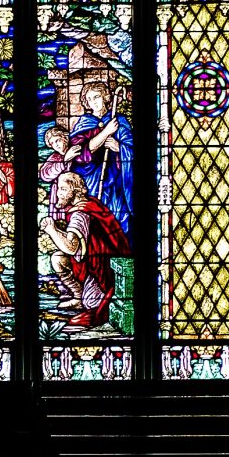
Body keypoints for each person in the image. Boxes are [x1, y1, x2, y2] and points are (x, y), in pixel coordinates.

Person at [44, 169, 128, 328]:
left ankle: (86, 297)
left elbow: (71, 247)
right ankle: (77, 296)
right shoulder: (90, 204)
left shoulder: (80, 213)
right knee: (58, 259)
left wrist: (51, 230)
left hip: (102, 272)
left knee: (91, 302)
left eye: (63, 189)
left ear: (74, 191)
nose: (58, 193)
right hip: (92, 262)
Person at [68, 83, 133, 238]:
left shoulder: (118, 120)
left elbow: (132, 149)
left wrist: (119, 147)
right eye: (89, 99)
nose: (93, 102)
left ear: (106, 97)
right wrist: (106, 132)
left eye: (96, 97)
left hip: (115, 180)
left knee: (117, 215)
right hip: (90, 179)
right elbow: (80, 152)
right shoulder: (84, 123)